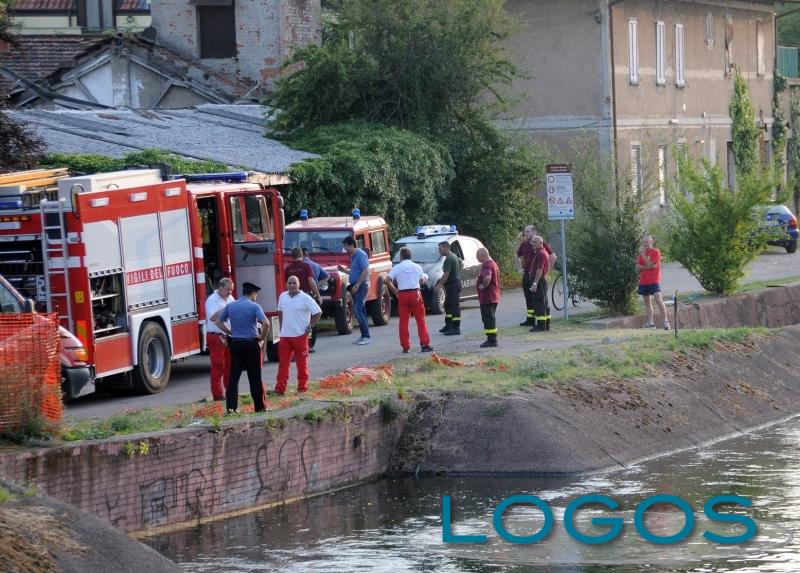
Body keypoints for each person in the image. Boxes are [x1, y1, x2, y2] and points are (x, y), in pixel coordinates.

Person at [215, 282, 270, 413]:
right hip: (251, 343)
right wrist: (261, 337)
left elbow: (218, 321)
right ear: (253, 294)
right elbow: (266, 323)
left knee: (234, 377)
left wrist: (229, 332)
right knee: (255, 376)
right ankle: (260, 407)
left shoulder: (230, 306)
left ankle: (231, 408)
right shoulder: (254, 306)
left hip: (235, 344)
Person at [275, 276, 322, 395]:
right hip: (285, 336)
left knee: (302, 364)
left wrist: (311, 326)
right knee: (283, 364)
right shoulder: (282, 296)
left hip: (300, 336)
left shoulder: (306, 298)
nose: (292, 285)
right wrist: (281, 327)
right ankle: (280, 389)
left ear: (299, 284)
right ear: (286, 284)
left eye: (294, 283)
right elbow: (279, 312)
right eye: (290, 283)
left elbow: (318, 312)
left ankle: (302, 388)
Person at [385, 247, 433, 354]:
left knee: (403, 321)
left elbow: (387, 280)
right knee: (420, 320)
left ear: (401, 256)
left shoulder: (397, 267)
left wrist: (395, 290)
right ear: (410, 256)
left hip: (402, 294)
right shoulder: (417, 267)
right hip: (415, 293)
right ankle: (425, 344)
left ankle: (405, 346)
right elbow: (421, 281)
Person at [517, 225, 557, 327]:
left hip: (537, 277)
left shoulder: (541, 245)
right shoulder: (525, 244)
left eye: (528, 232)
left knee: (540, 299)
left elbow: (552, 257)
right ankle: (530, 319)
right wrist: (519, 268)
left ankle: (543, 323)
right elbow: (517, 256)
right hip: (527, 275)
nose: (525, 234)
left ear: (534, 232)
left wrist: (546, 272)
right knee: (529, 298)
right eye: (525, 232)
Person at [284, 247, 321, 351]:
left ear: (292, 256)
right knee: (311, 319)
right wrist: (318, 296)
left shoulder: (287, 268)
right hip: (306, 295)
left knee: (296, 320)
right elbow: (311, 282)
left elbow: (285, 285)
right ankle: (309, 345)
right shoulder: (306, 266)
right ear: (302, 255)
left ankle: (296, 344)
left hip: (292, 296)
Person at [205, 278, 235, 400]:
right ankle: (217, 393)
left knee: (229, 364)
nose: (230, 292)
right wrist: (226, 309)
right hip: (216, 335)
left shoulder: (231, 299)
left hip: (228, 335)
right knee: (218, 365)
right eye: (228, 289)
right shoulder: (212, 300)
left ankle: (230, 390)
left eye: (231, 290)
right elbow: (212, 317)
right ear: (221, 287)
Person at [341, 236, 371, 345]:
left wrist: (357, 285)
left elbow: (365, 271)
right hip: (356, 285)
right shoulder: (353, 256)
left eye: (346, 247)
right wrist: (345, 271)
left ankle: (366, 336)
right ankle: (364, 335)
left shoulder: (361, 255)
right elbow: (357, 272)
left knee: (357, 309)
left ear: (352, 245)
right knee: (361, 310)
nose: (345, 249)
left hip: (361, 286)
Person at [637, 234, 670, 330]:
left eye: (647, 242)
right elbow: (638, 267)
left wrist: (644, 257)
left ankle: (665, 322)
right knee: (647, 302)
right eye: (644, 242)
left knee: (658, 300)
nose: (645, 244)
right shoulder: (641, 254)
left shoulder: (655, 252)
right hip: (643, 281)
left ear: (651, 242)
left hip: (654, 280)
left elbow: (651, 264)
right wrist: (648, 267)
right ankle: (651, 323)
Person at [434, 241, 462, 336]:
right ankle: (449, 326)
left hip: (453, 285)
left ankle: (456, 328)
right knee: (448, 306)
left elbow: (446, 274)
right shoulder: (454, 256)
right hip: (453, 284)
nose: (439, 251)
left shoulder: (448, 259)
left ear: (446, 248)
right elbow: (461, 265)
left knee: (454, 307)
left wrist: (439, 285)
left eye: (440, 249)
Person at [476, 247, 501, 347]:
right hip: (492, 296)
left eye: (477, 256)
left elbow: (487, 277)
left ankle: (492, 340)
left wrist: (483, 286)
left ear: (483, 255)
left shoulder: (487, 265)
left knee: (488, 318)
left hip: (488, 297)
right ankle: (491, 338)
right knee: (490, 317)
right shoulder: (493, 263)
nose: (476, 258)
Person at [528, 236, 551, 332]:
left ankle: (541, 326)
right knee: (544, 302)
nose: (532, 243)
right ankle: (546, 324)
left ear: (541, 243)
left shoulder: (541, 254)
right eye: (532, 242)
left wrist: (535, 283)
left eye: (535, 242)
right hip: (541, 280)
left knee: (539, 302)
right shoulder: (541, 252)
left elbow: (539, 269)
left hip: (539, 281)